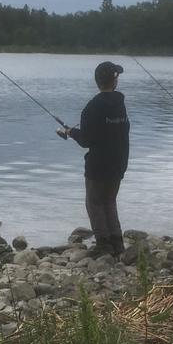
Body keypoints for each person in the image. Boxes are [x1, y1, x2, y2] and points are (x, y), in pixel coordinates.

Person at [59, 62, 130, 257]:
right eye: (117, 77)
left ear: (97, 81)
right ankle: (117, 243)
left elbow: (87, 140)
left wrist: (71, 132)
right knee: (109, 201)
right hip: (119, 162)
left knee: (94, 203)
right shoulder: (120, 104)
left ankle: (103, 244)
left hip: (98, 165)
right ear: (114, 80)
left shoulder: (92, 107)